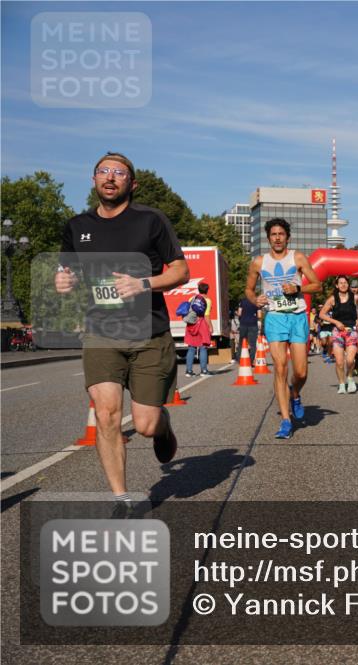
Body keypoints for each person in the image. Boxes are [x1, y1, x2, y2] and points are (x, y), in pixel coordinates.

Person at [55, 152, 189, 515]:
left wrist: (143, 283)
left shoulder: (151, 220)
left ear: (132, 183)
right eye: (103, 171)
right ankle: (121, 499)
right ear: (94, 179)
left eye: (119, 172)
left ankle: (162, 426)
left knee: (144, 424)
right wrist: (63, 281)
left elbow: (181, 271)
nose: (110, 177)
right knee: (107, 414)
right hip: (101, 332)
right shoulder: (76, 226)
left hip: (149, 333)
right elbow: (67, 272)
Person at [245, 218, 321, 439]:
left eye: (281, 234)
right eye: (273, 234)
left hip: (297, 317)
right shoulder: (259, 262)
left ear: (288, 237)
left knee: (301, 372)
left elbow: (317, 285)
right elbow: (248, 289)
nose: (277, 238)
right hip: (275, 317)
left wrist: (298, 288)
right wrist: (255, 300)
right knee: (280, 368)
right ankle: (286, 421)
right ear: (268, 238)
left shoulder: (298, 258)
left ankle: (294, 393)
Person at [320, 276, 358, 393]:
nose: (343, 285)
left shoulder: (355, 297)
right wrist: (335, 322)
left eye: (345, 283)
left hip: (351, 331)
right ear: (337, 285)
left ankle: (350, 378)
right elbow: (322, 314)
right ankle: (342, 384)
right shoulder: (332, 299)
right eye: (341, 283)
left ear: (348, 285)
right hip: (337, 332)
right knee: (339, 362)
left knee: (350, 360)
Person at [183, 282, 214, 377]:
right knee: (203, 347)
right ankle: (203, 370)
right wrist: (210, 326)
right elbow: (206, 315)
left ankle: (188, 371)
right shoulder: (207, 300)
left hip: (191, 324)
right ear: (207, 290)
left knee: (191, 347)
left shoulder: (192, 298)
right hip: (201, 324)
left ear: (198, 289)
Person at [235, 296, 259, 361]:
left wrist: (238, 314)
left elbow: (239, 313)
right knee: (253, 344)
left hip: (243, 324)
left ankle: (239, 359)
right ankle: (251, 360)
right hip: (253, 324)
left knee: (241, 342)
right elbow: (259, 315)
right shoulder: (256, 301)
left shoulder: (242, 301)